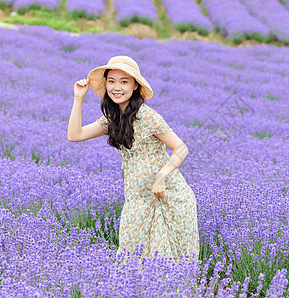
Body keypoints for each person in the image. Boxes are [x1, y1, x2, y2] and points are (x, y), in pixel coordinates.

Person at [67, 56, 200, 262]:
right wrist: (79, 98)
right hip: (137, 197)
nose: (116, 87)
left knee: (167, 261)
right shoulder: (112, 119)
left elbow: (181, 148)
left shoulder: (147, 116)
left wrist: (161, 177)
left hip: (167, 197)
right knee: (130, 256)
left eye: (124, 81)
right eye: (111, 81)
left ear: (135, 85)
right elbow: (75, 135)